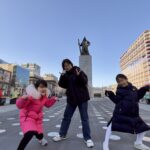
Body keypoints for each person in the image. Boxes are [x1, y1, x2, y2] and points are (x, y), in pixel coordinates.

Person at [53, 59, 94, 148]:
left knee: (84, 119)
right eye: (64, 66)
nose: (66, 67)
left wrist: (79, 75)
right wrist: (62, 76)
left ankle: (87, 138)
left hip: (82, 99)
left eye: (68, 65)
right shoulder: (65, 74)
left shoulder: (78, 70)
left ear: (71, 64)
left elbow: (84, 81)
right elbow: (61, 84)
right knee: (66, 118)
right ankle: (62, 134)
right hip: (71, 99)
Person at [103, 74, 150, 150]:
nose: (121, 82)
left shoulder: (133, 88)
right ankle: (105, 144)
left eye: (122, 80)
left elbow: (138, 96)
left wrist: (144, 89)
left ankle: (138, 143)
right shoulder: (120, 90)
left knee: (143, 128)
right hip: (121, 113)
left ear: (126, 79)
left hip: (133, 114)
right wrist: (110, 95)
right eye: (119, 81)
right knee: (110, 127)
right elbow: (116, 100)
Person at [16, 80, 58, 150]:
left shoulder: (44, 97)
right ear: (36, 88)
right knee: (30, 133)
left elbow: (47, 104)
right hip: (27, 117)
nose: (43, 88)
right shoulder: (31, 96)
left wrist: (54, 99)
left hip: (37, 119)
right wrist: (23, 99)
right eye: (41, 87)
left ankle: (41, 139)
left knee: (40, 135)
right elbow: (19, 106)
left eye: (45, 87)